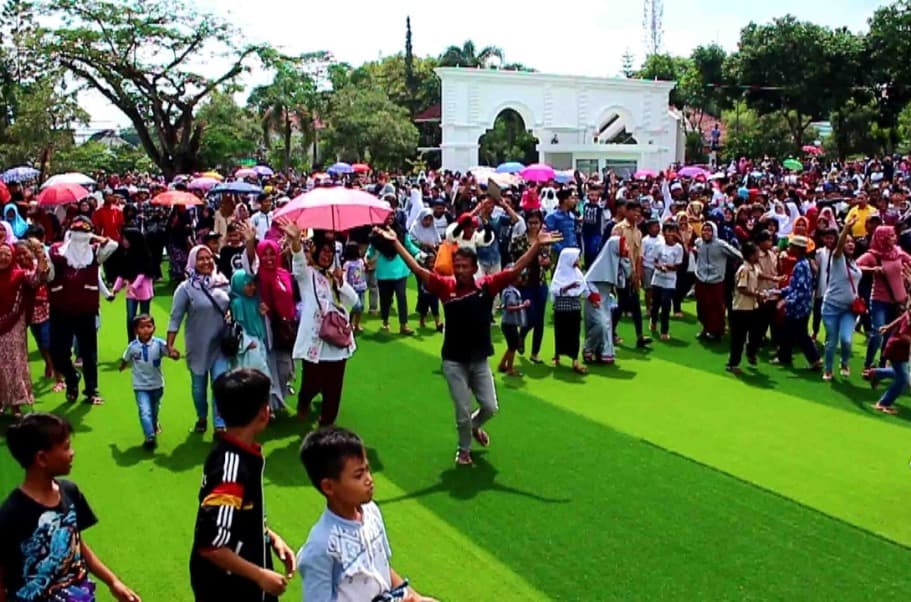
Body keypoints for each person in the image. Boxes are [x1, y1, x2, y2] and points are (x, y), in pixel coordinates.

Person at [377, 224, 561, 465]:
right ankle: (463, 450)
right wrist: (395, 243)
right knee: (462, 411)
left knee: (490, 407)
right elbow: (418, 269)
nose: (461, 271)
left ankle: (473, 428)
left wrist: (536, 245)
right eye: (457, 267)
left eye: (465, 267)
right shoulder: (446, 287)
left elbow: (515, 268)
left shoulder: (487, 286)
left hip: (479, 359)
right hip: (453, 361)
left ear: (475, 268)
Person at [0, 413, 141, 602]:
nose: (72, 452)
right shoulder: (11, 514)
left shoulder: (69, 491)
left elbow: (77, 544)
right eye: (66, 447)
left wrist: (113, 581)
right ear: (42, 458)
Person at [189, 369, 296, 602]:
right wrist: (259, 575)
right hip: (229, 587)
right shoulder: (231, 468)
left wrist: (270, 537)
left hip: (240, 576)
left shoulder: (236, 455)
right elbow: (212, 545)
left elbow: (238, 514)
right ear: (264, 413)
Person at [297, 427, 438, 602]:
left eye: (367, 470)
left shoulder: (371, 511)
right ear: (328, 487)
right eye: (358, 475)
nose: (369, 479)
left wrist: (416, 597)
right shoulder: (321, 547)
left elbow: (383, 568)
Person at [279, 221, 359, 427]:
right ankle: (304, 403)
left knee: (334, 390)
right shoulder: (308, 275)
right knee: (311, 384)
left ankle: (326, 426)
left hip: (338, 341)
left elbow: (355, 302)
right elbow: (297, 262)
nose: (327, 255)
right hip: (315, 341)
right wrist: (296, 241)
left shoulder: (335, 275)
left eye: (330, 252)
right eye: (323, 251)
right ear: (314, 251)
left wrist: (341, 282)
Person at [47, 215, 119, 405]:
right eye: (76, 234)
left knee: (89, 353)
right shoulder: (56, 251)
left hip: (86, 310)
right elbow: (49, 275)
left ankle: (91, 389)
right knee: (58, 352)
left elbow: (113, 246)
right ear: (70, 234)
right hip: (61, 309)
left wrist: (94, 237)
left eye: (84, 235)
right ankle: (71, 378)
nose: (80, 239)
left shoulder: (95, 253)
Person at [167, 244, 231, 433]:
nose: (206, 262)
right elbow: (175, 316)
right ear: (193, 262)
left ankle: (220, 424)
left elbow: (234, 305)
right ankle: (201, 416)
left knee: (221, 384)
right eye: (201, 259)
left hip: (220, 344)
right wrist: (170, 345)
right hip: (198, 345)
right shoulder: (186, 288)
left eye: (209, 257)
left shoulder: (223, 282)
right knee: (198, 388)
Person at [0, 241, 48, 417]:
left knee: (13, 363)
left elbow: (37, 279)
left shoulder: (19, 275)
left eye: (7, 254)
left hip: (13, 326)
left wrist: (40, 256)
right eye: (0, 254)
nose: (3, 257)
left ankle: (16, 404)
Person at [119, 314, 179, 450]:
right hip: (140, 386)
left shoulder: (159, 344)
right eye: (142, 327)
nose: (146, 330)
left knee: (154, 409)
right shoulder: (133, 347)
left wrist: (175, 355)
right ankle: (149, 436)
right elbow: (125, 358)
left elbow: (171, 352)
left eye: (149, 326)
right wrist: (122, 365)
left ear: (154, 328)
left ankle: (154, 423)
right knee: (144, 411)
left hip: (157, 385)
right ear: (136, 331)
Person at [856, 225, 911, 369]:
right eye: (891, 236)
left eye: (894, 235)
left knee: (889, 335)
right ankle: (868, 364)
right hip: (879, 300)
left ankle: (881, 365)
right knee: (877, 333)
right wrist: (872, 270)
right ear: (883, 238)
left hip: (897, 301)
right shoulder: (872, 255)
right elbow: (856, 266)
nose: (894, 238)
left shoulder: (898, 253)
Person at [821, 218, 863, 380]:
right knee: (832, 341)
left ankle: (844, 362)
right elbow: (838, 247)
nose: (850, 244)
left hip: (849, 309)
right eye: (847, 242)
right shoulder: (837, 258)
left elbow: (856, 275)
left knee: (846, 340)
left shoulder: (854, 263)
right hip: (831, 307)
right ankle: (828, 369)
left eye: (852, 242)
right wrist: (846, 229)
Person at [367, 213, 421, 334]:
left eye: (392, 216)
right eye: (387, 216)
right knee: (385, 298)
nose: (390, 219)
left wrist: (419, 254)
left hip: (400, 270)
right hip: (383, 271)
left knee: (401, 297)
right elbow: (371, 250)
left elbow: (409, 245)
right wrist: (367, 258)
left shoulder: (401, 231)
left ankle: (404, 324)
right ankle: (385, 322)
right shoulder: (376, 234)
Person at [773, 236, 822, 369]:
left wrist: (785, 301)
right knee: (788, 331)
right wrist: (779, 292)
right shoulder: (804, 263)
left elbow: (800, 290)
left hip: (798, 308)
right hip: (803, 306)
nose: (788, 249)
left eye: (791, 246)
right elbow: (795, 287)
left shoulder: (800, 266)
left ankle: (815, 359)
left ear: (798, 249)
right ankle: (785, 357)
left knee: (800, 334)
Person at [693, 222, 742, 340]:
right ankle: (705, 328)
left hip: (716, 281)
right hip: (701, 278)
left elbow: (738, 255)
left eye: (709, 230)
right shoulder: (698, 242)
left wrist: (731, 268)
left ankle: (717, 331)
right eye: (704, 230)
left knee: (716, 307)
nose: (706, 232)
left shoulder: (721, 244)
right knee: (702, 306)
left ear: (714, 232)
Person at [111, 228, 156, 345]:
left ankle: (145, 342)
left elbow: (142, 274)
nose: (123, 241)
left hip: (143, 291)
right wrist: (115, 289)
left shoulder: (143, 254)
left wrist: (133, 287)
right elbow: (122, 273)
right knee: (130, 318)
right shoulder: (125, 254)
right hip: (131, 292)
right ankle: (131, 343)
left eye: (126, 239)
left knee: (144, 318)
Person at [549, 248, 589, 373]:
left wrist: (592, 298)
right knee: (560, 332)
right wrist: (568, 287)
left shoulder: (577, 273)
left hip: (575, 306)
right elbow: (555, 290)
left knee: (574, 333)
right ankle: (557, 355)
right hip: (561, 308)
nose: (577, 260)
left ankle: (575, 361)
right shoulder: (559, 273)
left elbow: (584, 287)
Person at [726, 242, 763, 374]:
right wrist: (756, 294)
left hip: (752, 307)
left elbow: (760, 276)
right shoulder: (744, 269)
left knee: (756, 333)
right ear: (751, 255)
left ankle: (750, 352)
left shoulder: (754, 267)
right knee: (738, 338)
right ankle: (733, 363)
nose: (759, 255)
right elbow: (742, 288)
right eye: (756, 253)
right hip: (741, 308)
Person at [650, 222, 684, 341]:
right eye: (667, 231)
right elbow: (654, 261)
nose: (670, 234)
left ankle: (664, 330)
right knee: (655, 304)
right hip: (658, 278)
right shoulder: (658, 245)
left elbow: (678, 265)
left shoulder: (678, 248)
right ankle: (653, 321)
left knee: (665, 304)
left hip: (670, 280)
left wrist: (667, 267)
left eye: (672, 231)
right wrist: (659, 266)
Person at [497, 268, 528, 377]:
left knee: (512, 345)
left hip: (509, 323)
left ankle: (502, 364)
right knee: (513, 346)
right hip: (509, 323)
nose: (521, 278)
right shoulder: (511, 292)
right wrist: (523, 306)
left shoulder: (508, 290)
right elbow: (510, 308)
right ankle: (509, 368)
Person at [342, 243, 368, 333]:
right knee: (354, 307)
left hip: (361, 287)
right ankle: (350, 323)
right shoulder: (347, 264)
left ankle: (357, 324)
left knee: (361, 307)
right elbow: (345, 275)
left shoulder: (360, 261)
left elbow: (363, 271)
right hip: (352, 288)